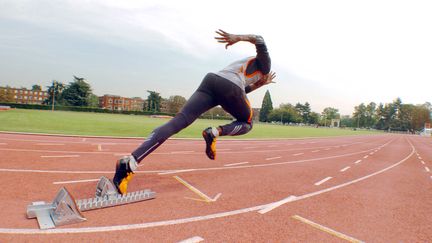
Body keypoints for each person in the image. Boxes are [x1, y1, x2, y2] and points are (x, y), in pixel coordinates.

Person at [113, 29, 276, 194]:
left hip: (212, 81)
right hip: (229, 88)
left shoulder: (247, 68)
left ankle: (130, 162)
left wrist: (259, 85)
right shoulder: (265, 65)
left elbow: (239, 92)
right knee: (247, 123)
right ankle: (215, 132)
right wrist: (238, 38)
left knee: (180, 120)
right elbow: (259, 39)